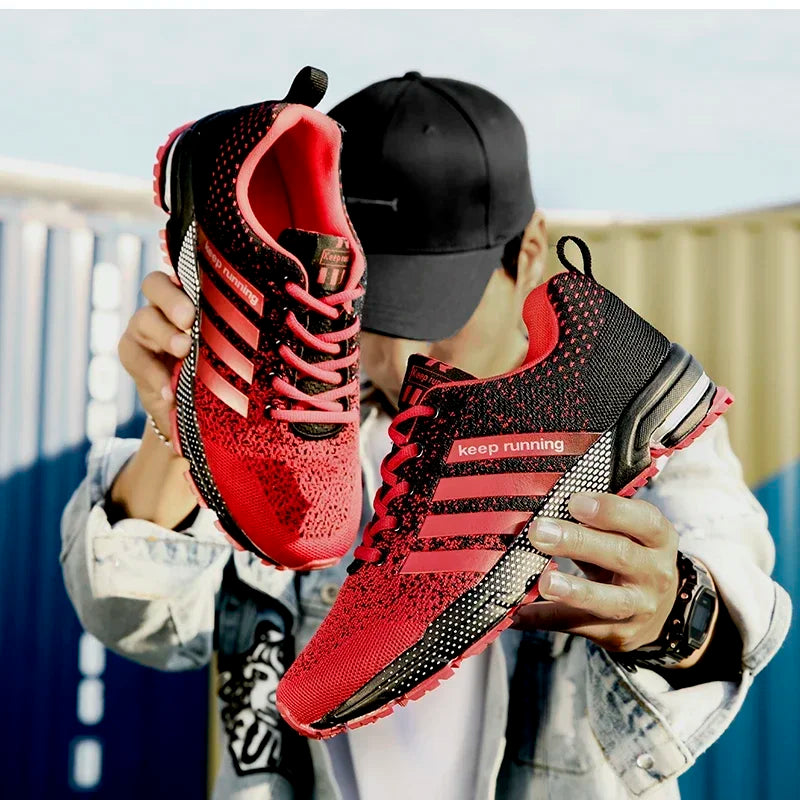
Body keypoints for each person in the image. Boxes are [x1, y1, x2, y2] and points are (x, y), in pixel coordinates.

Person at [61, 71, 790, 800]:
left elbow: (731, 592)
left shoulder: (636, 440)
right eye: (369, 313)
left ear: (529, 249)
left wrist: (673, 618)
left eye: (434, 308)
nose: (405, 354)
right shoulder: (290, 437)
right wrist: (189, 415)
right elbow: (140, 623)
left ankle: (518, 425)